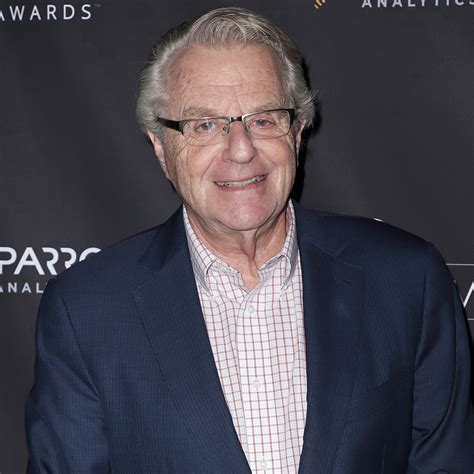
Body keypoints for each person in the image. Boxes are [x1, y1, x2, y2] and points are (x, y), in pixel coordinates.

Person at [25, 7, 473, 473]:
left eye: (264, 119)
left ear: (297, 132)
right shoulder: (87, 311)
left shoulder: (405, 280)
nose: (240, 150)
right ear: (160, 146)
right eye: (205, 125)